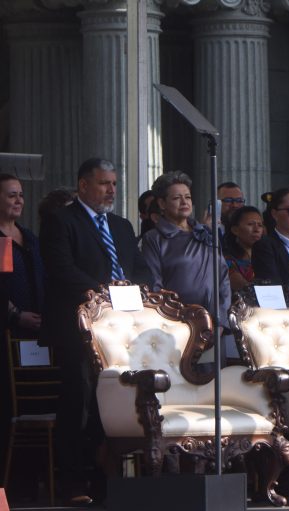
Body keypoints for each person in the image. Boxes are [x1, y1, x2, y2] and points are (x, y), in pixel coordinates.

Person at [39, 158, 149, 505]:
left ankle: (107, 476)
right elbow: (63, 271)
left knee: (114, 402)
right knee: (80, 401)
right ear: (83, 185)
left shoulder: (121, 225)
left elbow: (138, 269)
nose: (111, 190)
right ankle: (74, 480)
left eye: (114, 183)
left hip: (121, 331)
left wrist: (139, 294)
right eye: (103, 183)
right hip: (78, 330)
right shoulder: (61, 221)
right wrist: (107, 295)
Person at [141, 171, 231, 326]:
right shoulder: (154, 237)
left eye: (187, 197)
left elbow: (223, 277)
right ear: (162, 204)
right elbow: (154, 284)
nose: (184, 202)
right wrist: (170, 320)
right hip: (177, 323)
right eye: (176, 198)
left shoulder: (205, 233)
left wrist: (221, 319)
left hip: (214, 323)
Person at [0, 174, 44, 338]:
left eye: (21, 195)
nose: (19, 201)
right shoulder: (1, 239)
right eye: (12, 196)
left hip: (37, 330)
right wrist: (15, 315)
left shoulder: (30, 237)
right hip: (8, 331)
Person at [223, 206, 264, 292]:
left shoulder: (267, 258)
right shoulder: (227, 261)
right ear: (235, 230)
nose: (257, 229)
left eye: (260, 225)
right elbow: (244, 288)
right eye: (250, 224)